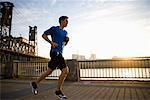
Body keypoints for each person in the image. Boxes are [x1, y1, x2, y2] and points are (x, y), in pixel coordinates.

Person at [31, 16, 69, 99]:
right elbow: (44, 35)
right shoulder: (54, 29)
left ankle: (35, 83)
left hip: (60, 53)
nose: (67, 22)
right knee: (65, 70)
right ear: (61, 21)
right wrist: (51, 42)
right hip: (55, 53)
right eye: (66, 21)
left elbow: (63, 44)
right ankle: (58, 91)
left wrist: (66, 41)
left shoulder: (65, 32)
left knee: (49, 72)